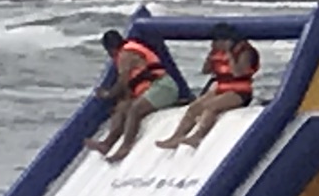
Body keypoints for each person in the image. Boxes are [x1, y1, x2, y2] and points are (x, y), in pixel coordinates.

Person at [159, 24, 261, 149]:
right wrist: (210, 57)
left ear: (226, 41)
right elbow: (205, 70)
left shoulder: (244, 52)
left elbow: (238, 73)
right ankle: (176, 137)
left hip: (239, 91)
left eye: (216, 40)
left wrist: (230, 57)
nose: (213, 43)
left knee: (211, 107)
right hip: (221, 88)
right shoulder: (216, 52)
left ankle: (198, 136)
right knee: (194, 107)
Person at [89, 29, 180, 162]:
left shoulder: (126, 54)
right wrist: (122, 103)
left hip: (163, 88)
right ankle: (107, 143)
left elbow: (122, 82)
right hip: (149, 89)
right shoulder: (123, 54)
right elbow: (128, 87)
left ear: (111, 49)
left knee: (134, 110)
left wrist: (107, 94)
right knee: (121, 108)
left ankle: (125, 147)